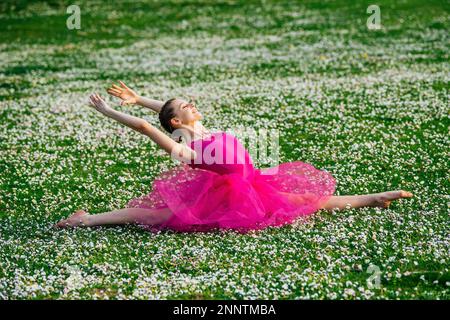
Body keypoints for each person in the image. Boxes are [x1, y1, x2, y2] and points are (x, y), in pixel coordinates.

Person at [55, 81, 413, 233]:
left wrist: (142, 100)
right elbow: (149, 128)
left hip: (251, 182)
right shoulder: (187, 148)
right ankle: (83, 220)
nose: (192, 103)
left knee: (306, 199)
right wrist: (112, 113)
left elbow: (164, 113)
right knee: (146, 213)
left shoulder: (205, 130)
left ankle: (374, 198)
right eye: (186, 106)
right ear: (178, 122)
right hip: (223, 196)